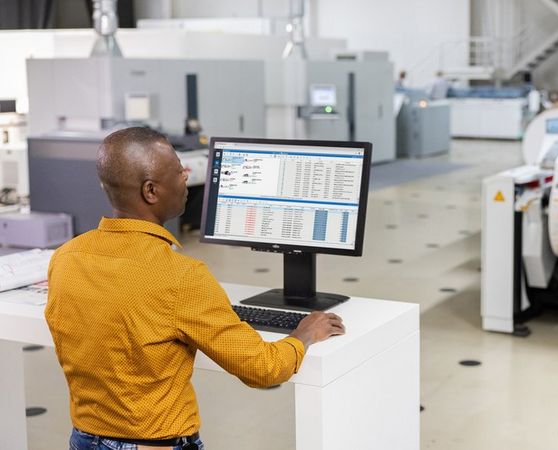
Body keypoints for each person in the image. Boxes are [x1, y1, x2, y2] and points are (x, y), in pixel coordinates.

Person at [45, 127, 345, 450]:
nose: (186, 177)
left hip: (83, 440)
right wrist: (303, 335)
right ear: (151, 191)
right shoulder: (181, 277)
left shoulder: (65, 258)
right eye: (178, 170)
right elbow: (262, 368)